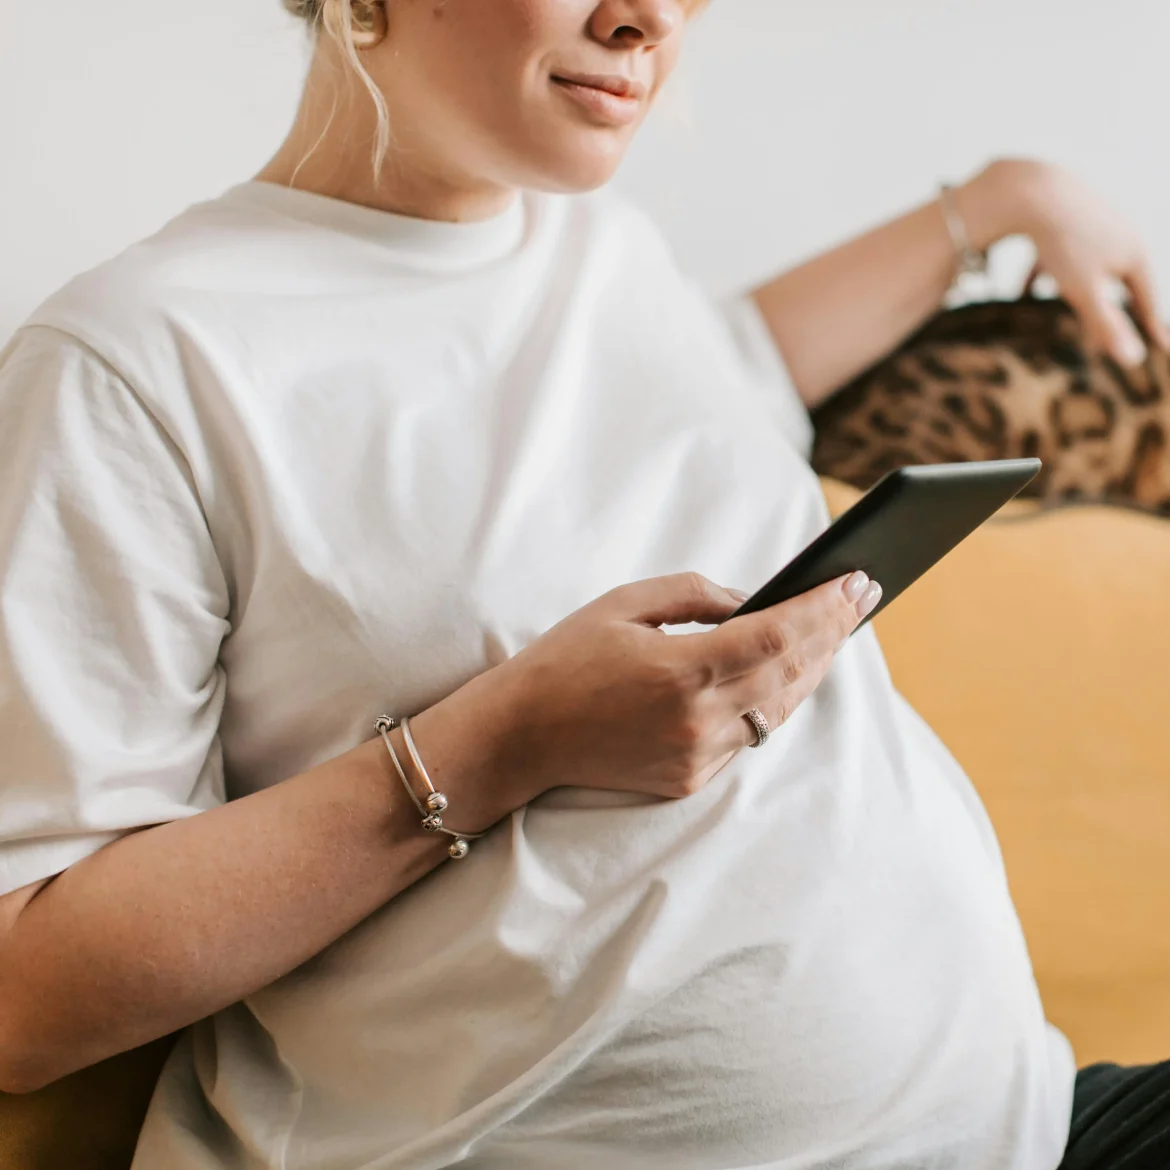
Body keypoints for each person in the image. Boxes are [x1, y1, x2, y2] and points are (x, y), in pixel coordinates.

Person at [0, 1, 1167, 1167]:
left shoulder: (598, 245)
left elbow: (721, 383)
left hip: (1023, 1122)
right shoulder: (133, 364)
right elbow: (23, 992)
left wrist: (997, 201)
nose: (649, 17)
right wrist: (503, 741)